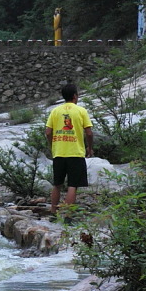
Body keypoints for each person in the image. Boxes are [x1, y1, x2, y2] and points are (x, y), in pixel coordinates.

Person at [45, 83, 94, 214]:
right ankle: (67, 214)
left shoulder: (55, 111)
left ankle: (53, 212)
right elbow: (89, 133)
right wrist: (89, 148)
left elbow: (48, 132)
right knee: (73, 185)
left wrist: (53, 146)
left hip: (59, 152)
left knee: (57, 184)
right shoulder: (81, 111)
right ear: (74, 96)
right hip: (75, 153)